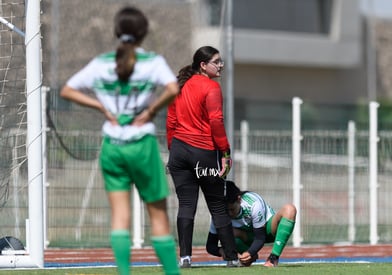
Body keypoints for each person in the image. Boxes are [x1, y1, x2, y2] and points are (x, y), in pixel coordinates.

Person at [60, 6, 180, 275]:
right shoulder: (152, 62)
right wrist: (150, 110)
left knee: (119, 217)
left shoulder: (101, 63)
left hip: (112, 146)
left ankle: (124, 272)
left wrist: (102, 108)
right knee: (158, 216)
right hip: (142, 145)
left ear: (116, 32)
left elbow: (67, 89)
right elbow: (173, 88)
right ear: (144, 33)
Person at [166, 46, 238, 268]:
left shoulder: (179, 86)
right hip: (204, 152)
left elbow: (170, 121)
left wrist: (174, 151)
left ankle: (185, 258)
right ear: (203, 65)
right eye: (216, 62)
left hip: (179, 151)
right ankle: (232, 257)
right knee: (217, 205)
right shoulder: (211, 87)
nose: (221, 65)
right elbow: (216, 121)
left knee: (186, 205)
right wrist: (225, 152)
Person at [206, 180, 297, 267]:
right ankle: (245, 257)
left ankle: (273, 258)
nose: (229, 214)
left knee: (289, 209)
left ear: (239, 200)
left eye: (232, 209)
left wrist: (250, 252)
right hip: (247, 238)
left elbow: (260, 237)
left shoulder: (253, 203)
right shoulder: (219, 213)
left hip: (267, 231)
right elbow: (210, 245)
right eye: (226, 210)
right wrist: (222, 251)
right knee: (227, 231)